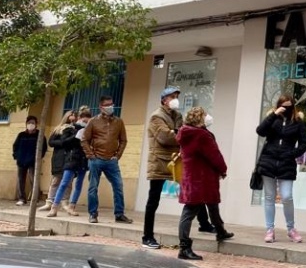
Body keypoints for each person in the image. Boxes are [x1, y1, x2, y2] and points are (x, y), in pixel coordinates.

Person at [176, 106, 233, 260]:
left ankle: (220, 231)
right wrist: (223, 169)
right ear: (200, 118)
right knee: (190, 212)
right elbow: (214, 155)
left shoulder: (185, 133)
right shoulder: (202, 135)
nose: (209, 117)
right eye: (206, 115)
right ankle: (184, 248)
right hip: (202, 178)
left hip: (191, 177)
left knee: (212, 205)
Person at [256, 94, 306, 244]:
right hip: (268, 162)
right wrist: (274, 115)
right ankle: (269, 230)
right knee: (269, 197)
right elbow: (260, 131)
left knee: (286, 196)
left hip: (286, 164)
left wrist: (291, 154)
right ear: (279, 105)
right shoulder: (272, 119)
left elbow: (304, 144)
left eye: (289, 106)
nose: (286, 109)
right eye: (283, 106)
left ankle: (291, 229)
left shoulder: (298, 122)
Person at [142, 87, 184, 249]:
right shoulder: (156, 116)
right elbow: (166, 137)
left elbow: (181, 134)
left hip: (176, 161)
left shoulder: (178, 116)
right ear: (163, 100)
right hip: (159, 161)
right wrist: (176, 132)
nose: (175, 99)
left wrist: (176, 131)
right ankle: (147, 236)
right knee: (153, 200)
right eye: (172, 96)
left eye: (176, 96)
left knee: (192, 191)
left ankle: (205, 224)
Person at [81, 95, 133, 224]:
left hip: (112, 161)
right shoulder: (93, 121)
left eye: (112, 104)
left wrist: (118, 155)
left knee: (118, 186)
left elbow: (123, 140)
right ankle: (93, 214)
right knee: (93, 188)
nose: (111, 107)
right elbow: (84, 140)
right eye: (107, 105)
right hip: (96, 160)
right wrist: (90, 155)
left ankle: (119, 214)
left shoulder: (119, 122)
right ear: (101, 107)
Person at [48, 107, 91, 217]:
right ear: (79, 119)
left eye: (87, 121)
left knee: (79, 184)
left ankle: (72, 206)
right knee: (64, 183)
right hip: (71, 159)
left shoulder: (90, 131)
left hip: (83, 160)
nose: (85, 123)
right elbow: (65, 143)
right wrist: (76, 136)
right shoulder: (70, 129)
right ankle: (54, 207)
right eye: (83, 120)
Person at [41, 111, 77, 212]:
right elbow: (51, 142)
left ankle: (65, 201)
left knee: (69, 181)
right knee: (56, 180)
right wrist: (62, 142)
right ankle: (49, 201)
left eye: (74, 116)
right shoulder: (58, 129)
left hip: (70, 158)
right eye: (71, 115)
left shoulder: (76, 129)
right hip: (58, 157)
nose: (73, 117)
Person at [12, 115, 47, 206]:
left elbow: (43, 148)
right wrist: (16, 156)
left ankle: (35, 199)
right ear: (26, 124)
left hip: (33, 161)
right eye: (29, 123)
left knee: (33, 179)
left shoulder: (40, 135)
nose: (31, 124)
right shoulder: (21, 135)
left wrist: (38, 158)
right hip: (21, 160)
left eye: (33, 123)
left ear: (36, 124)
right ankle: (21, 198)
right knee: (20, 180)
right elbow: (15, 146)